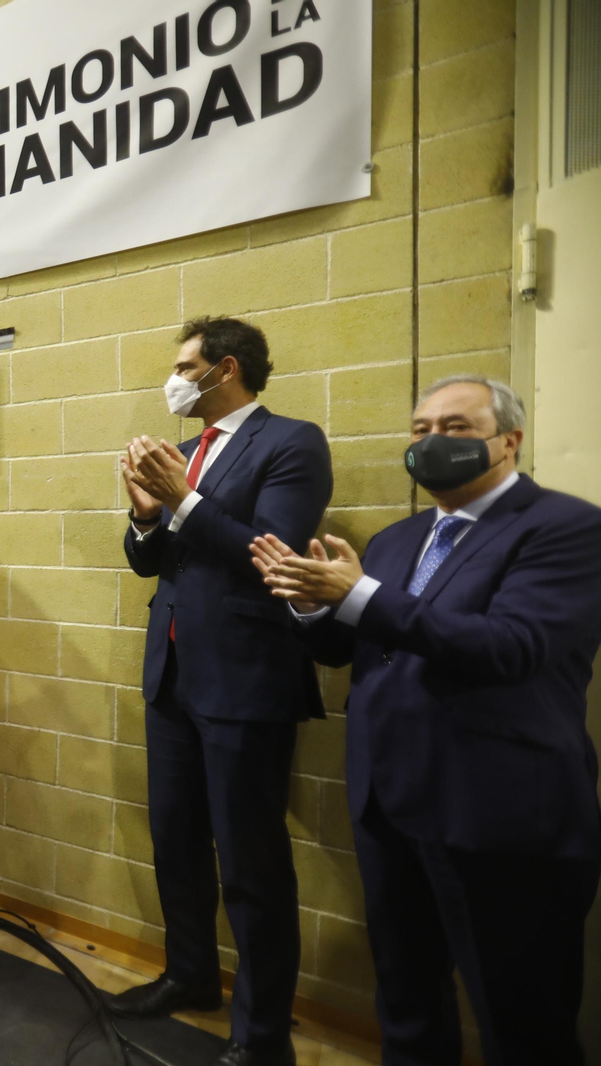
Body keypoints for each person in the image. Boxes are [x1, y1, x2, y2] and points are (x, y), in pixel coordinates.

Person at [250, 376, 601, 1066]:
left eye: (456, 428)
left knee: (522, 1021)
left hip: (500, 818)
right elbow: (350, 648)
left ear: (510, 441)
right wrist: (310, 603)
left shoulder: (567, 529)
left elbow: (510, 648)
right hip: (391, 805)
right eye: (420, 430)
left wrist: (359, 594)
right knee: (407, 1003)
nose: (433, 442)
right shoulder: (395, 539)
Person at [115, 317, 332, 1066]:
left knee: (251, 863)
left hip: (245, 681)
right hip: (172, 676)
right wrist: (147, 518)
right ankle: (190, 975)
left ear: (224, 369)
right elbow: (154, 562)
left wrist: (183, 501)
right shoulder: (184, 454)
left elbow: (270, 557)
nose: (172, 379)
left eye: (184, 366)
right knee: (175, 840)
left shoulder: (292, 442)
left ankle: (262, 1036)